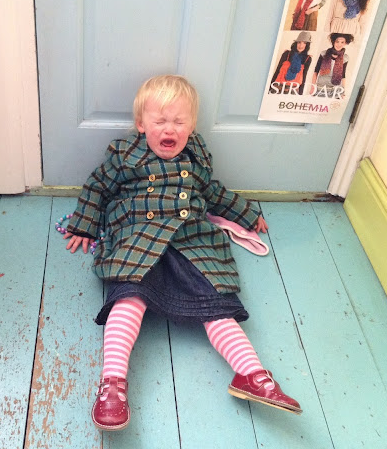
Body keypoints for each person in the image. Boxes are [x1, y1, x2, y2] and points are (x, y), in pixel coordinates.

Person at [63, 75, 302, 431]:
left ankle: (251, 374)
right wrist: (84, 224)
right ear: (142, 124)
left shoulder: (195, 160)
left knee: (217, 305)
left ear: (191, 127)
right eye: (160, 121)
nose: (169, 129)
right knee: (128, 299)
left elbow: (214, 193)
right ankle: (112, 384)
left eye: (179, 121)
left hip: (190, 241)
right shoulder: (125, 156)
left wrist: (246, 213)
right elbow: (97, 186)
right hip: (139, 239)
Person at [311, 33, 354, 98]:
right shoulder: (324, 54)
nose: (339, 44)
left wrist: (343, 91)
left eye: (342, 42)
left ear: (345, 43)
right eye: (337, 42)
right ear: (333, 41)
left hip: (336, 89)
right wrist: (313, 87)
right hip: (321, 88)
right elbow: (316, 71)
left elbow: (343, 75)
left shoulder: (345, 58)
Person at [269, 31, 313, 95]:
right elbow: (277, 71)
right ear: (296, 43)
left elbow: (304, 76)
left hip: (293, 91)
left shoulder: (307, 59)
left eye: (304, 43)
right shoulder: (287, 54)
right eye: (299, 42)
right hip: (277, 88)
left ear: (307, 45)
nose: (301, 45)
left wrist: (300, 95)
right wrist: (269, 88)